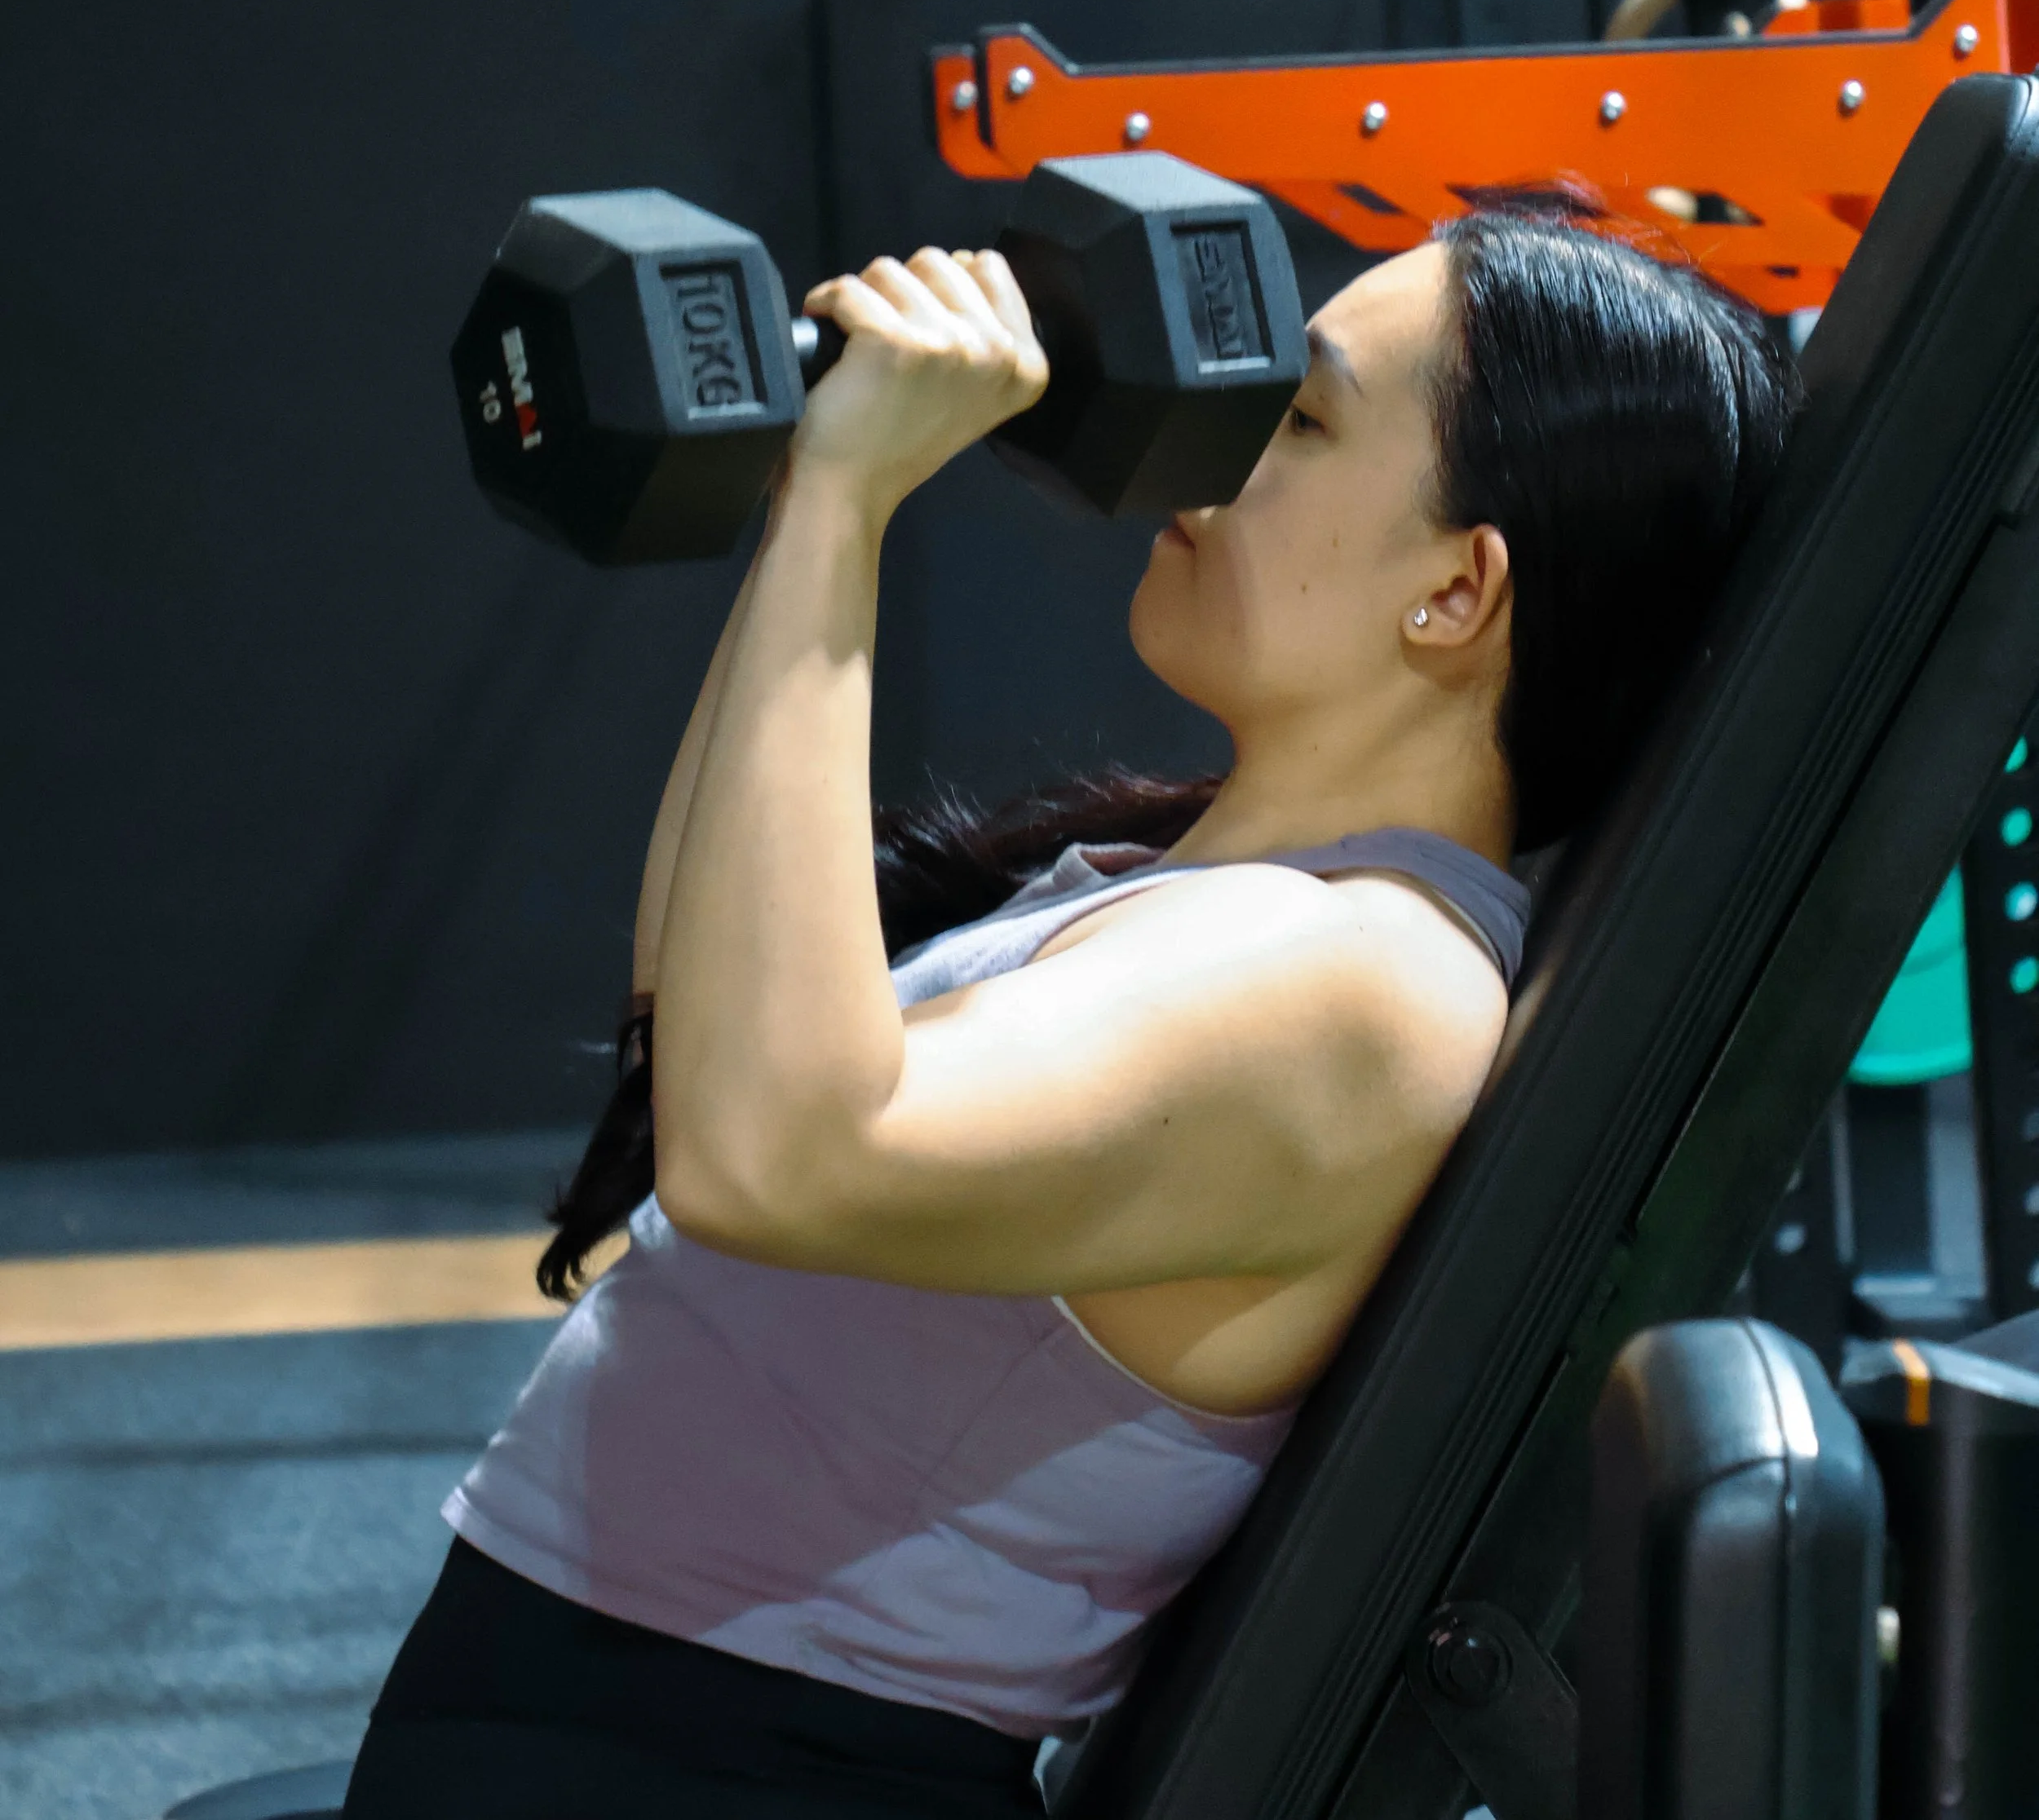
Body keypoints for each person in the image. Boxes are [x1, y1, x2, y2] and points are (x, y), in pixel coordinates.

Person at [346, 211, 1800, 1818]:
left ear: (1454, 593)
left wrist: (848, 503)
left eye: (1298, 417)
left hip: (717, 1771)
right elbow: (696, 1016)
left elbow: (771, 1159)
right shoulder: (1237, 893)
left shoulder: (1352, 985)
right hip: (616, 1737)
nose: (1210, 445)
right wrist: (802, 505)